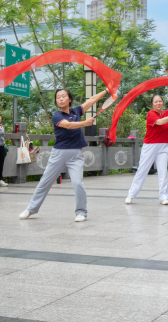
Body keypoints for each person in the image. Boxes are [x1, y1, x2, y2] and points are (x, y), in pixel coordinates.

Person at [21, 88, 107, 222]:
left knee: (78, 183)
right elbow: (68, 125)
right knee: (45, 181)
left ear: (70, 99)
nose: (60, 99)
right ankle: (31, 208)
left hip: (76, 153)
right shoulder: (57, 116)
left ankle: (81, 212)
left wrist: (107, 91)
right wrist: (85, 123)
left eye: (63, 96)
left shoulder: (77, 111)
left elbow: (92, 100)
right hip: (59, 153)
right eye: (58, 97)